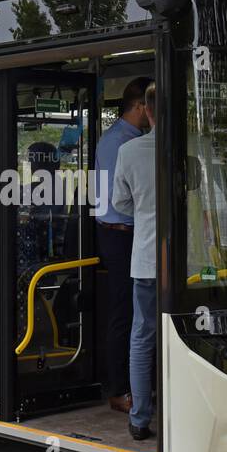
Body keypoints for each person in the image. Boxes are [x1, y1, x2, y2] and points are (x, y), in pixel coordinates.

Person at [94, 76, 152, 414]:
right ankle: (119, 389)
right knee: (125, 312)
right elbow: (123, 198)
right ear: (140, 107)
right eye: (151, 107)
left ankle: (135, 384)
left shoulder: (122, 139)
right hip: (120, 233)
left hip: (123, 231)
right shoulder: (121, 144)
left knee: (135, 312)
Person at [111, 83, 158, 440]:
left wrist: (144, 213)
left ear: (148, 111)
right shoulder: (187, 152)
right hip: (184, 265)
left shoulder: (129, 152)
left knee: (142, 336)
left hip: (145, 261)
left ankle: (140, 419)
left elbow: (120, 204)